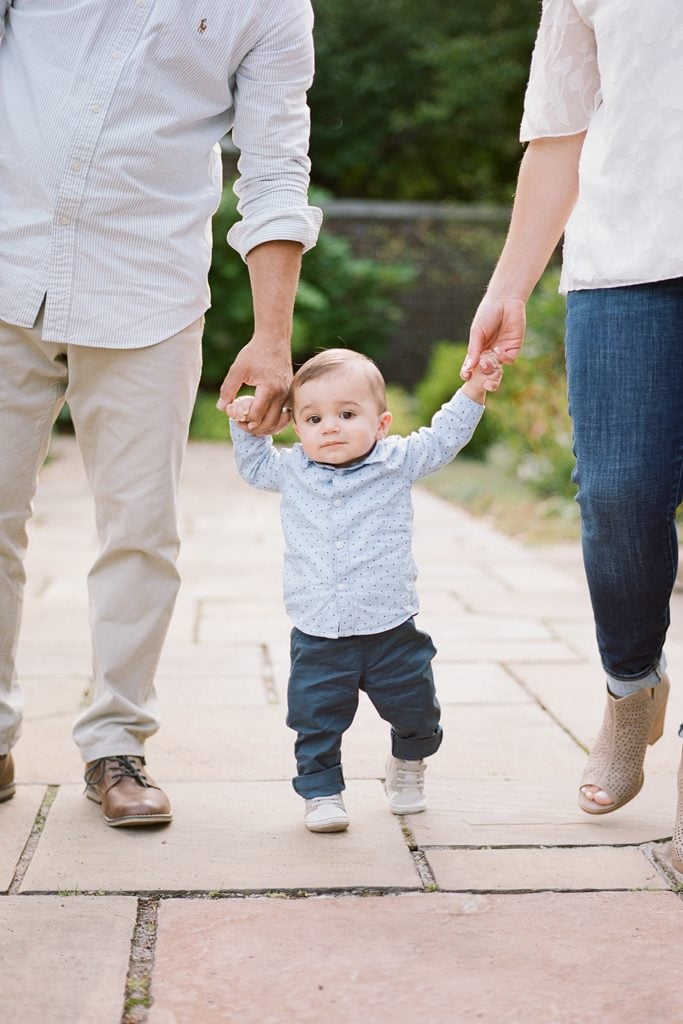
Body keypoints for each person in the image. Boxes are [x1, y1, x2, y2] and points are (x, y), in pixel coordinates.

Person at [0, 1, 322, 826]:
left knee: (141, 527)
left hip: (147, 288)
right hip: (6, 262)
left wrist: (273, 338)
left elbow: (278, 165)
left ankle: (115, 744)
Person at [462, 0, 683, 873]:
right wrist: (510, 284)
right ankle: (631, 689)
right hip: (624, 264)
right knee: (617, 496)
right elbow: (558, 129)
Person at [224, 348, 501, 832]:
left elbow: (443, 438)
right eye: (313, 418)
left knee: (416, 710)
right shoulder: (291, 471)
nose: (329, 426)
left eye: (347, 414)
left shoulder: (397, 462)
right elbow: (252, 466)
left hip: (391, 628)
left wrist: (474, 389)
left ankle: (409, 766)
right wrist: (245, 422)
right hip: (318, 634)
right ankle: (322, 792)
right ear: (295, 426)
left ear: (381, 423)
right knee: (315, 720)